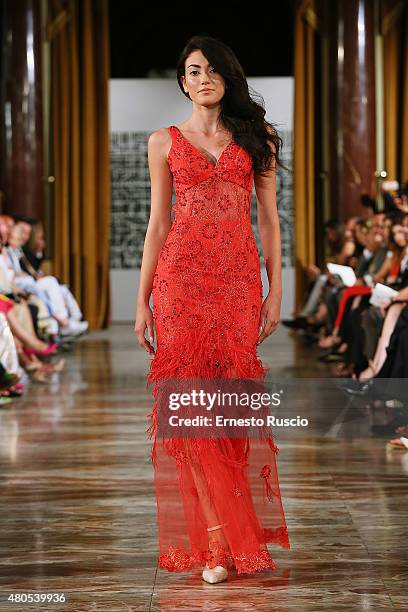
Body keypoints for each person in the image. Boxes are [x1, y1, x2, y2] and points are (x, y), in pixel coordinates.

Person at [134, 35, 289, 584]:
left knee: (229, 411)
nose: (202, 79)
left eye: (211, 71)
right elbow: (157, 225)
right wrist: (143, 299)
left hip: (238, 283)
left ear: (227, 79)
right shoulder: (162, 141)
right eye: (192, 71)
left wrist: (275, 288)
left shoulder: (257, 138)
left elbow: (269, 219)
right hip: (180, 282)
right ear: (182, 81)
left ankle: (229, 531)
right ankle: (220, 544)